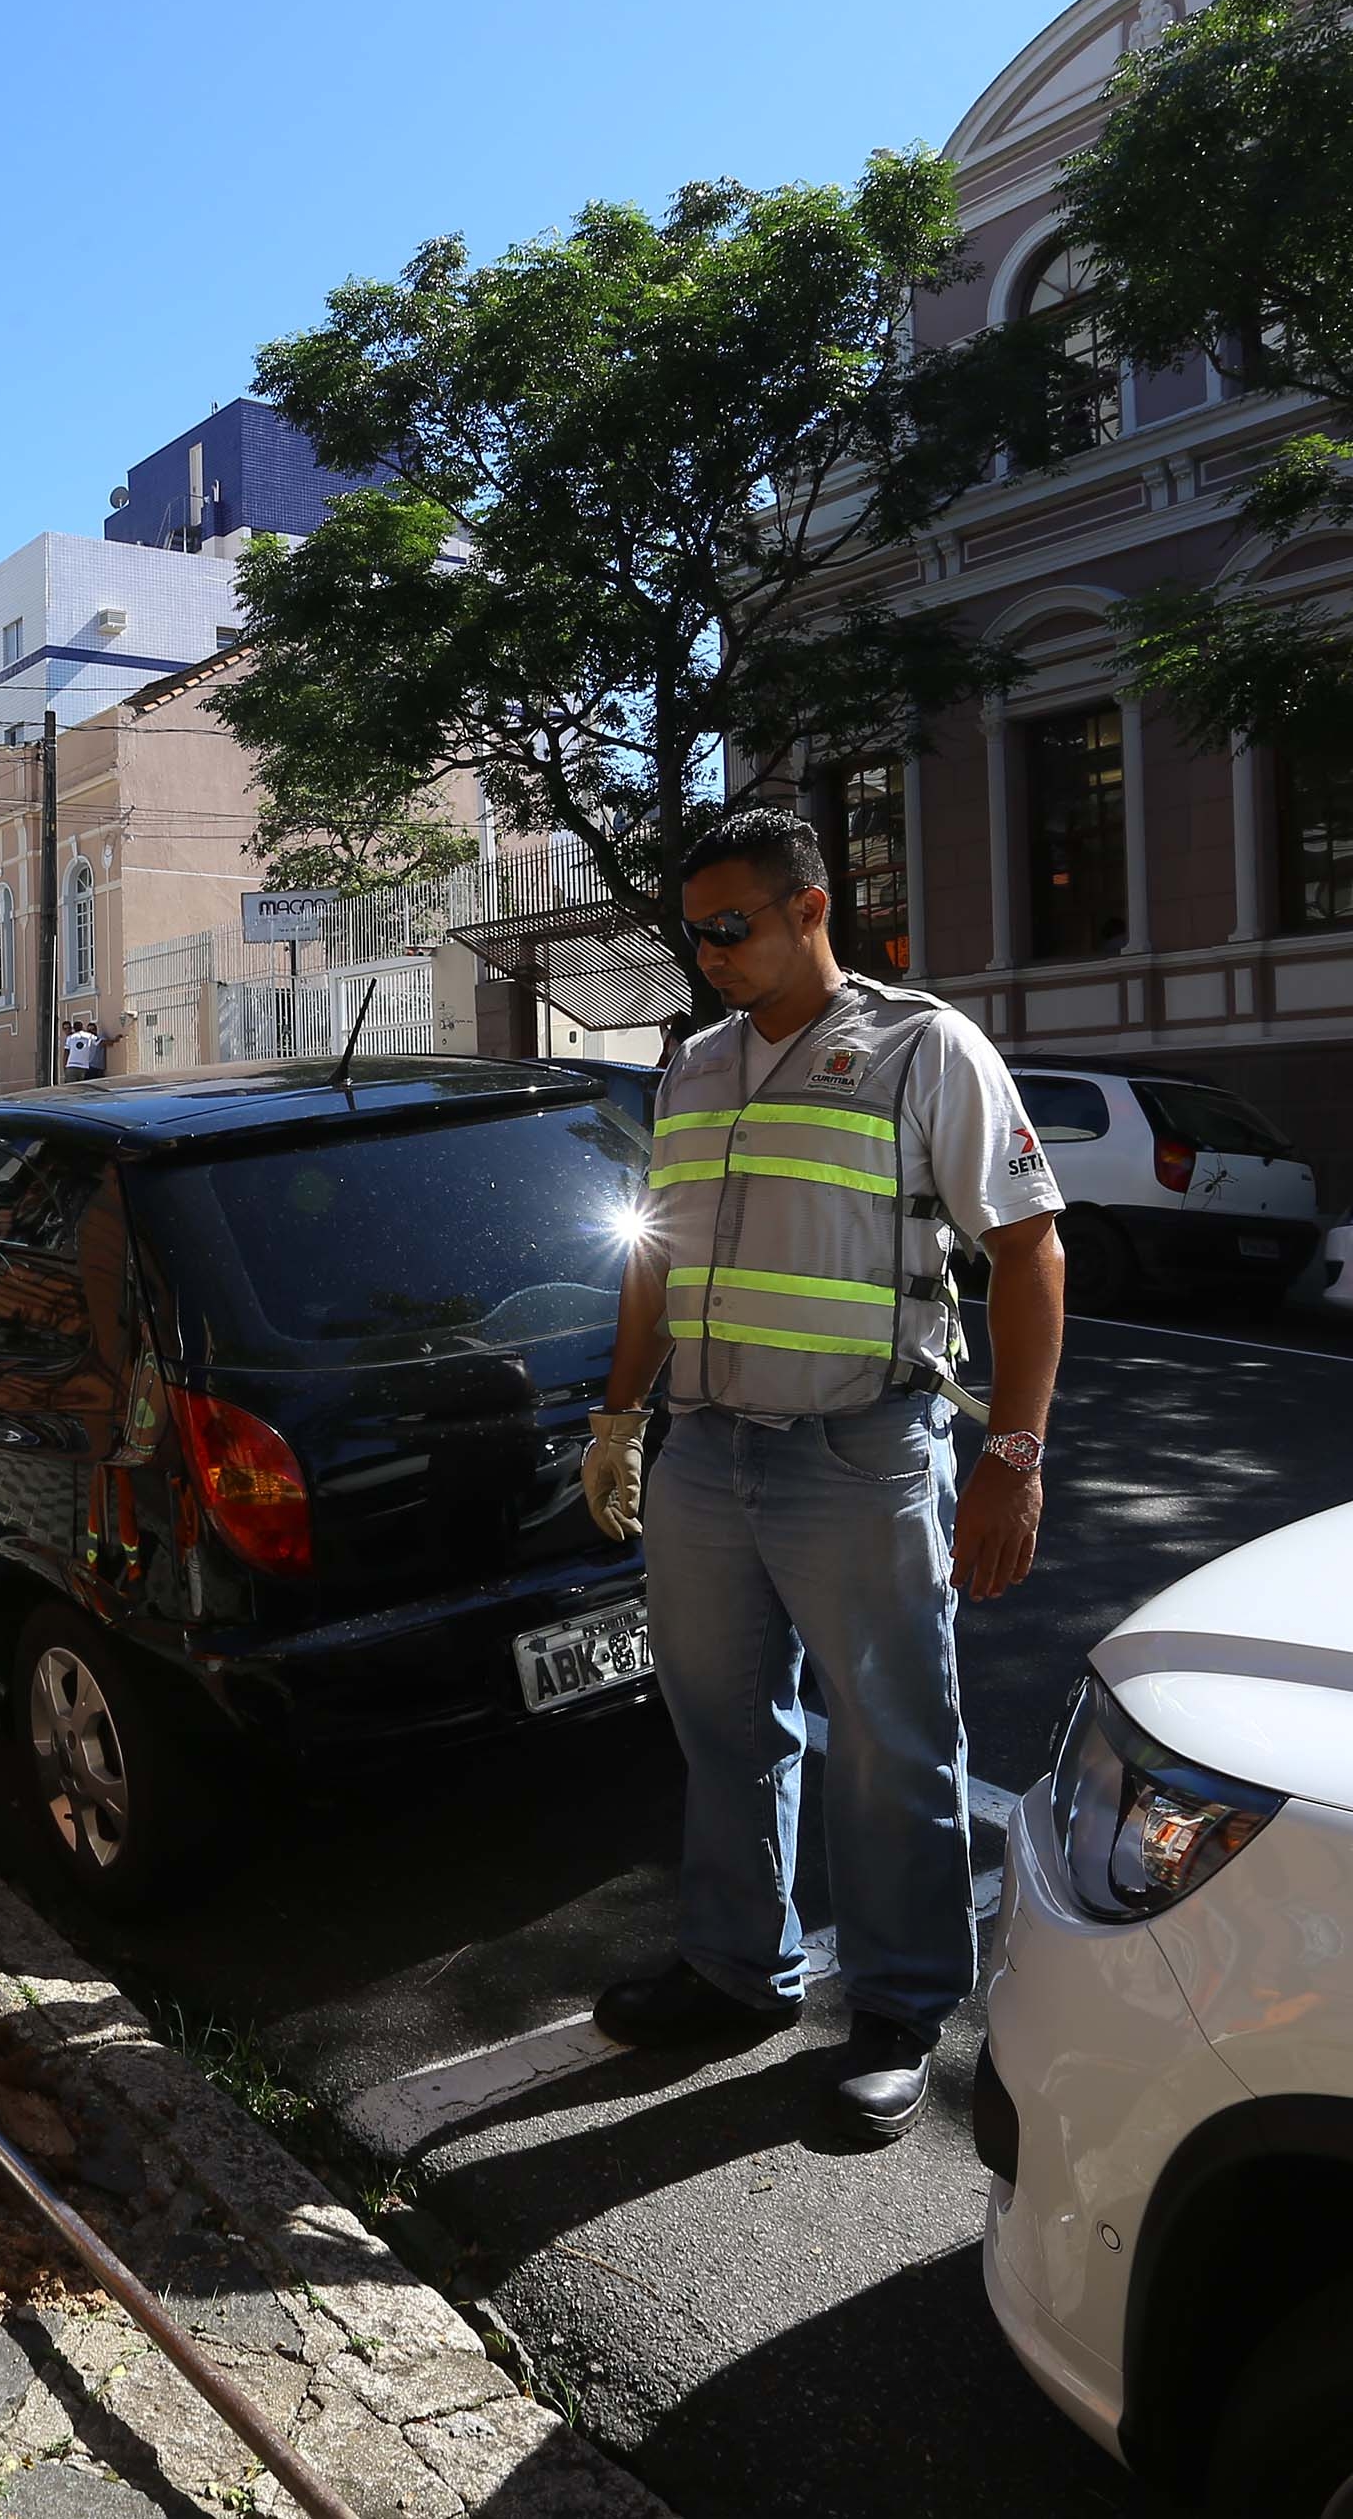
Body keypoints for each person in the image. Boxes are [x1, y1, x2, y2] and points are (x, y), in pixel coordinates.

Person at [579, 806, 1067, 2139]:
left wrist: (1012, 1456)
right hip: (705, 1449)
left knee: (890, 1742)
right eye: (693, 934)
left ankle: (902, 2006)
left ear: (810, 908)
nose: (709, 954)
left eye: (731, 927)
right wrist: (618, 1419)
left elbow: (1028, 1246)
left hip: (860, 1452)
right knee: (723, 1726)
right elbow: (655, 1253)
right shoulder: (692, 1066)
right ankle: (736, 1966)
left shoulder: (923, 1047)